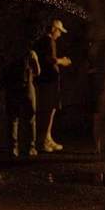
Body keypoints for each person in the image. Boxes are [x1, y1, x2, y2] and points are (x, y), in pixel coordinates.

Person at [36, 19, 72, 152]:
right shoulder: (48, 41)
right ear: (53, 29)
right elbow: (49, 59)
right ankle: (43, 141)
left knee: (51, 109)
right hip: (48, 81)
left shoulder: (46, 41)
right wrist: (62, 61)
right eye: (59, 31)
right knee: (48, 109)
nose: (60, 34)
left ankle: (47, 137)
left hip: (48, 80)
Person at [6, 48, 41, 157]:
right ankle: (30, 147)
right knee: (30, 118)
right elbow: (38, 71)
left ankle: (13, 147)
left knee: (13, 119)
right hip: (27, 87)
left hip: (12, 87)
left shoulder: (9, 52)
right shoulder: (30, 53)